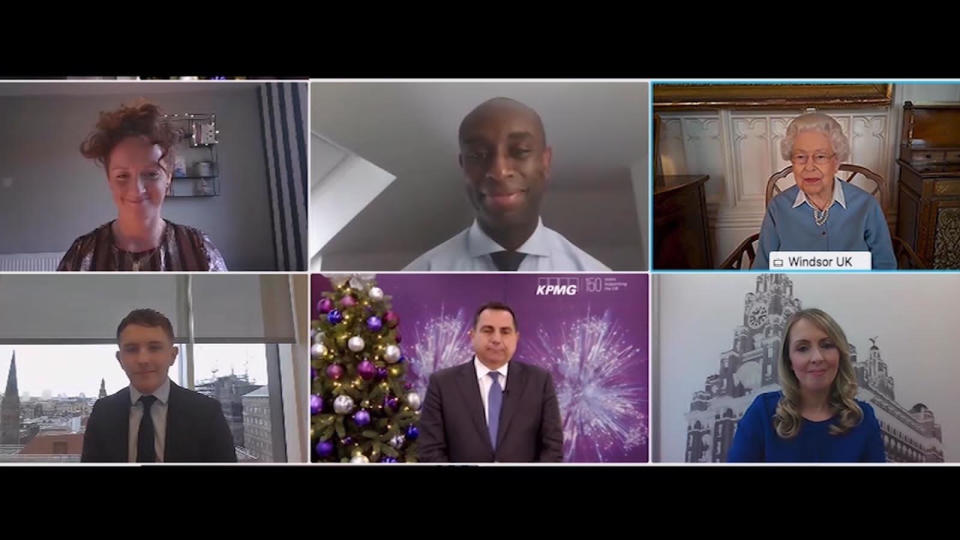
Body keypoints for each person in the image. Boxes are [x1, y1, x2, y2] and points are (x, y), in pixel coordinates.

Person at [404, 97, 610, 271]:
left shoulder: (597, 277)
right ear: (463, 166)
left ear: (545, 161)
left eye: (519, 151)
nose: (499, 172)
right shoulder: (414, 278)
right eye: (477, 154)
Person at [58, 101, 227, 271]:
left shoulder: (198, 249)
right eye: (123, 176)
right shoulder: (82, 254)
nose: (137, 189)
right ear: (109, 180)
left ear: (168, 178)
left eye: (151, 174)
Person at [727, 308, 885, 462]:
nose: (817, 357)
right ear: (789, 361)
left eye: (827, 345)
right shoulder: (762, 412)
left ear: (840, 355)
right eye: (803, 348)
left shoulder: (863, 418)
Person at [81, 308, 237, 462]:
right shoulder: (103, 412)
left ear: (173, 355)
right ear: (120, 359)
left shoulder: (206, 412)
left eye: (154, 348)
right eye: (132, 349)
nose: (143, 360)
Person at [417, 301, 564, 462]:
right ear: (472, 336)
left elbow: (552, 449)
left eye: (505, 332)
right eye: (488, 331)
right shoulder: (442, 384)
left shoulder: (540, 381)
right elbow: (431, 451)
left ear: (516, 338)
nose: (496, 339)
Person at [753, 112, 895, 270]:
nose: (809, 167)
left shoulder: (866, 205)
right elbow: (762, 268)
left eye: (820, 157)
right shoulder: (778, 207)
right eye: (800, 157)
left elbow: (885, 265)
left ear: (836, 162)